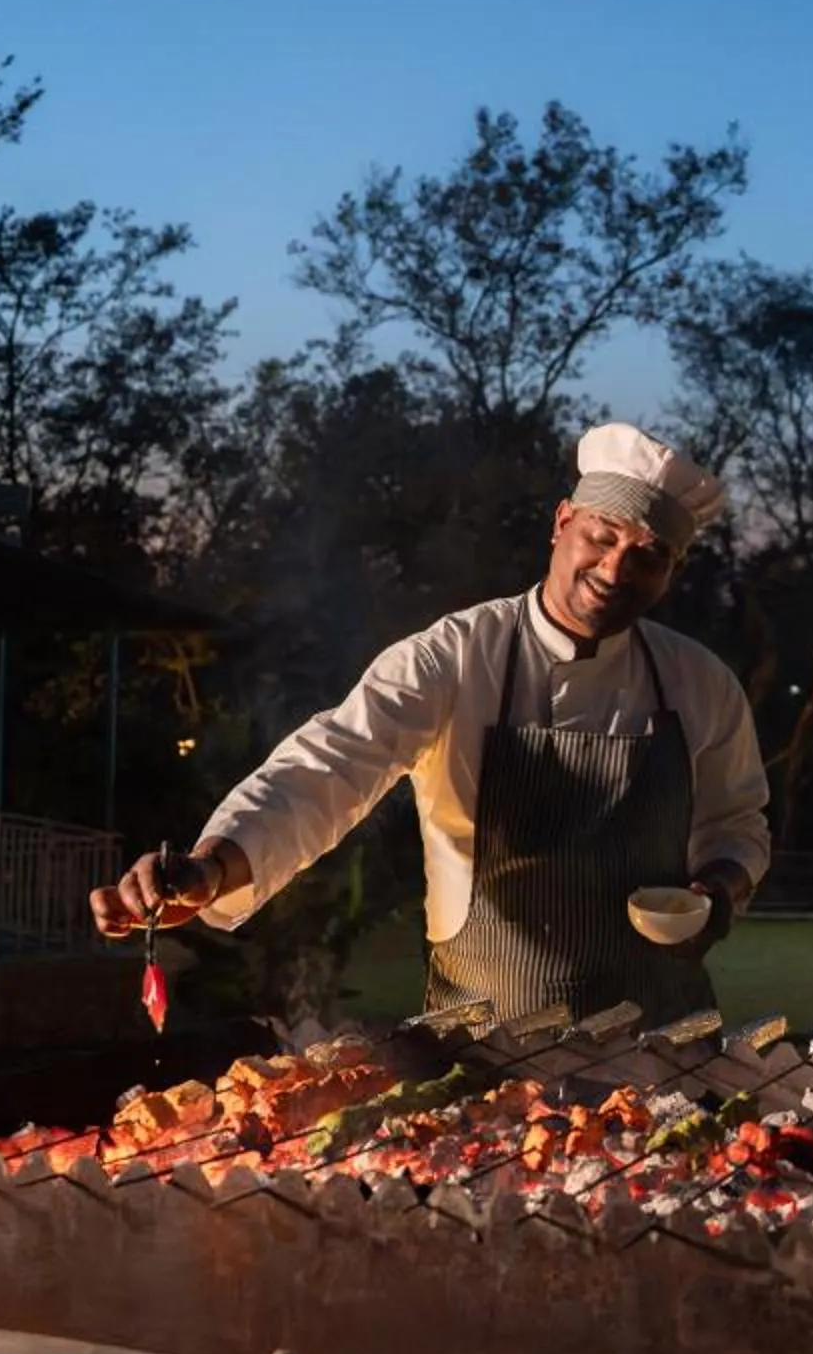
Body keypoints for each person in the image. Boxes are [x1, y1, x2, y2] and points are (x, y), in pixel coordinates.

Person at [90, 424, 770, 1026]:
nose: (616, 568)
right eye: (602, 535)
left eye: (649, 554)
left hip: (661, 1045)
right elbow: (327, 769)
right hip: (482, 1047)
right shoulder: (453, 657)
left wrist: (717, 890)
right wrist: (213, 868)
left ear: (671, 571)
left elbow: (738, 825)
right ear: (562, 522)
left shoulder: (700, 682)